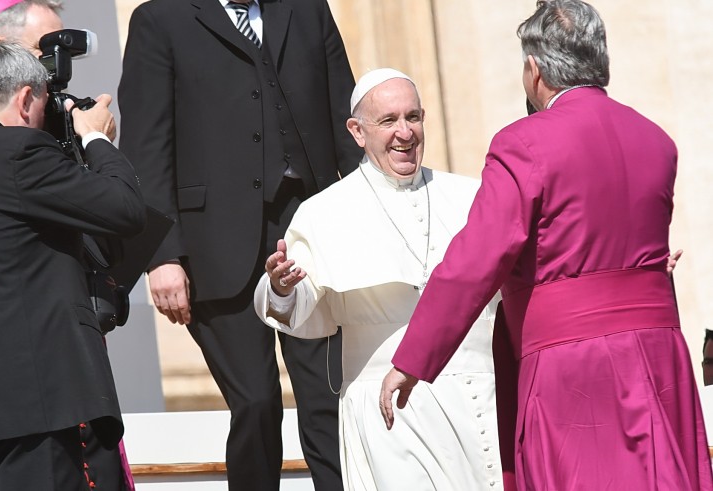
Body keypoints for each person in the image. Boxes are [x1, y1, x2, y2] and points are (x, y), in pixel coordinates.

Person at [380, 1, 713, 490]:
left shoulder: (523, 143)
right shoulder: (657, 139)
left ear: (534, 69)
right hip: (658, 355)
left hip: (572, 364)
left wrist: (413, 359)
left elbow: (477, 258)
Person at [118, 1, 361, 489]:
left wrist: (371, 220)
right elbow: (146, 146)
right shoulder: (159, 20)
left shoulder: (306, 10)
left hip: (310, 236)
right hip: (215, 246)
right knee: (255, 402)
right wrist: (162, 256)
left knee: (328, 400)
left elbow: (347, 122)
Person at [253, 68, 503, 491]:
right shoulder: (323, 213)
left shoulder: (472, 196)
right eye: (388, 121)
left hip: (483, 399)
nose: (405, 132)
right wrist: (281, 287)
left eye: (413, 117)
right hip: (391, 410)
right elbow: (300, 306)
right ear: (357, 131)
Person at [0, 40, 145, 491]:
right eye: (45, 103)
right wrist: (95, 137)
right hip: (30, 409)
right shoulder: (17, 152)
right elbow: (124, 208)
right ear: (25, 100)